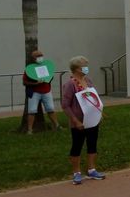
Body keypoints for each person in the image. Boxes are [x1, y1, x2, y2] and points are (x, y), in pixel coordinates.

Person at [61, 56, 106, 185]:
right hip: (79, 122)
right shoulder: (70, 84)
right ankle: (76, 172)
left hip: (92, 120)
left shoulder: (88, 81)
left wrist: (98, 113)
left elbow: (94, 98)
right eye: (84, 66)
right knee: (77, 145)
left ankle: (92, 169)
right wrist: (75, 120)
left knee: (92, 144)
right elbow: (65, 105)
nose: (86, 68)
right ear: (76, 69)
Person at [23, 49, 60, 133]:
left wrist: (48, 79)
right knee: (32, 111)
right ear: (33, 58)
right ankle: (30, 130)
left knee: (50, 109)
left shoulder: (47, 66)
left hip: (47, 91)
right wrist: (36, 83)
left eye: (41, 55)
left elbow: (50, 76)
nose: (40, 57)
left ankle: (57, 125)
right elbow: (24, 82)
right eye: (37, 56)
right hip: (34, 92)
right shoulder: (29, 69)